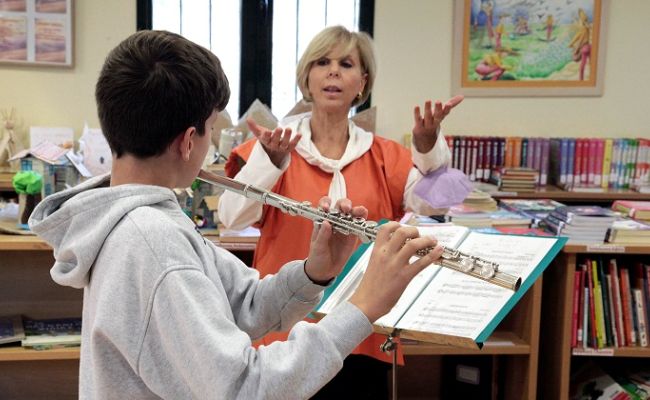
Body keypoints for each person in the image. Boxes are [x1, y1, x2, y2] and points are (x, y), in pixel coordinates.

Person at [27, 30, 444, 399]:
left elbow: (245, 302)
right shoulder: (152, 243)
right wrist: (364, 305)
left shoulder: (150, 221)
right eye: (210, 129)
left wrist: (315, 271)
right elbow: (247, 387)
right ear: (189, 141)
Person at [218, 25, 462, 399]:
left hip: (362, 327)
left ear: (362, 83)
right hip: (284, 329)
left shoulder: (385, 155)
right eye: (322, 62)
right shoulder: (274, 146)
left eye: (346, 63)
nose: (333, 71)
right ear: (307, 78)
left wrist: (428, 148)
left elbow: (433, 203)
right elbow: (231, 216)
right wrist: (270, 162)